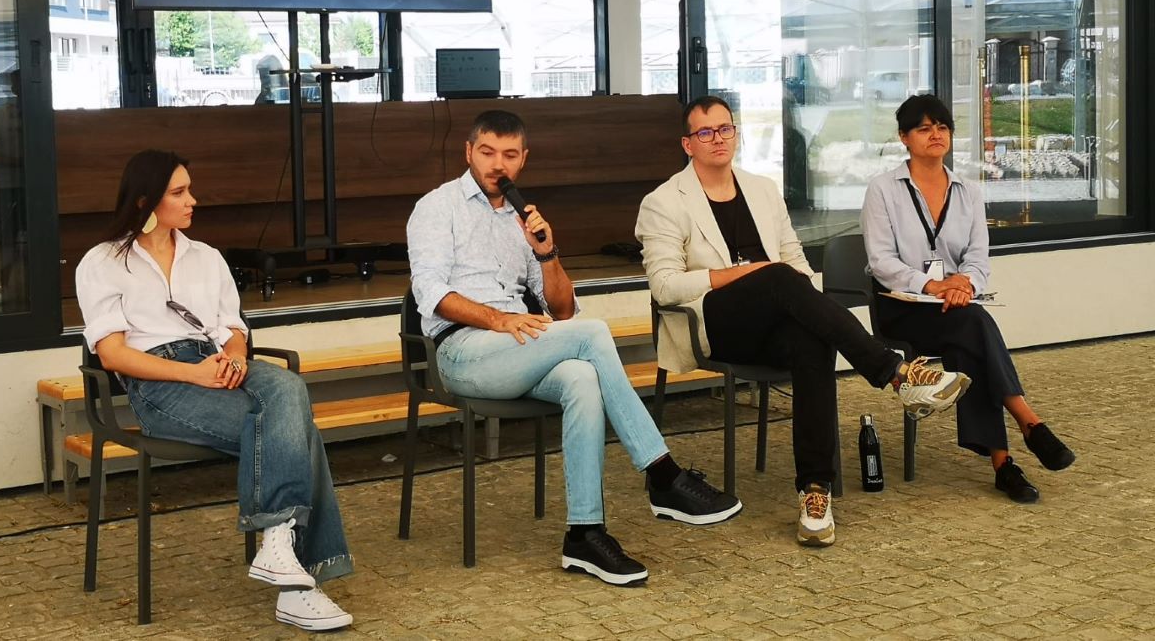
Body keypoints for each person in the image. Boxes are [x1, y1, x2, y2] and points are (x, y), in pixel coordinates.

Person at [406, 110, 742, 587]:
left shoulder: (522, 219)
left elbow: (562, 310)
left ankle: (584, 534)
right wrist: (500, 318)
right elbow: (431, 293)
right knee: (592, 334)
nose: (497, 164)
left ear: (523, 159)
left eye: (508, 155)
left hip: (519, 348)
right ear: (468, 152)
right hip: (461, 352)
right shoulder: (437, 208)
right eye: (487, 152)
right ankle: (663, 474)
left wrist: (546, 252)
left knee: (583, 377)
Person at [635, 95, 970, 547]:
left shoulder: (762, 189)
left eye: (725, 128)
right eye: (705, 132)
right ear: (687, 144)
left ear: (736, 133)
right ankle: (895, 371)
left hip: (772, 321)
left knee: (811, 338)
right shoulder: (663, 202)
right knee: (775, 275)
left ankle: (815, 491)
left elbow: (797, 264)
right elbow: (664, 287)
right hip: (713, 324)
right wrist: (745, 274)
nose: (718, 139)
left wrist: (785, 286)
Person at [75, 150, 353, 631]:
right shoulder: (103, 262)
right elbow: (113, 355)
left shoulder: (206, 257)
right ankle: (297, 582)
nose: (192, 201)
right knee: (298, 433)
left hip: (219, 363)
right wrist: (194, 375)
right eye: (179, 192)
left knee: (287, 385)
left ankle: (279, 548)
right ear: (145, 200)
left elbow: (232, 328)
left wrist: (236, 358)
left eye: (190, 190)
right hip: (160, 383)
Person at [861, 94, 1075, 503]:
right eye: (924, 128)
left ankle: (1004, 463)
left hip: (954, 307)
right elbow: (881, 261)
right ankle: (1028, 422)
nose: (936, 134)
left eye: (942, 127)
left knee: (970, 337)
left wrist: (964, 285)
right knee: (974, 326)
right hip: (902, 307)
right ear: (904, 137)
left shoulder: (968, 191)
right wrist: (932, 286)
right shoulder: (883, 189)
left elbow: (978, 258)